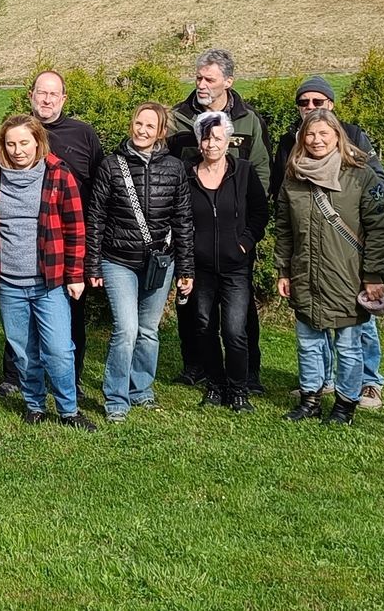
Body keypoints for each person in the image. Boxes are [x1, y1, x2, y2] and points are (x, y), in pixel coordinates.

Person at [273, 76, 384, 409]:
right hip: (306, 271)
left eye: (324, 133)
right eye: (310, 134)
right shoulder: (293, 176)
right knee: (308, 340)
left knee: (350, 343)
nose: (317, 140)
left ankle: (349, 399)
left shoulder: (359, 174)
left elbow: (379, 228)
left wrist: (373, 276)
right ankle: (311, 396)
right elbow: (285, 227)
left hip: (347, 272)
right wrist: (283, 270)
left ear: (338, 135)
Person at [168, 48, 274, 393]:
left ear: (228, 81)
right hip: (194, 236)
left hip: (234, 235)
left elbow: (261, 171)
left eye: (209, 79)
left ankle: (249, 374)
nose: (201, 84)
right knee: (192, 306)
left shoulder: (248, 120)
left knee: (240, 313)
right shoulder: (179, 118)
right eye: (198, 77)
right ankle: (196, 366)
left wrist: (245, 231)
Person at [0, 115, 96, 430]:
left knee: (59, 350)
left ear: (37, 142)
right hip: (9, 284)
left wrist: (75, 274)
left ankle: (69, 410)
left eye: (24, 143)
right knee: (23, 351)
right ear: (2, 145)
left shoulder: (58, 175)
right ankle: (35, 405)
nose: (18, 150)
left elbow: (75, 228)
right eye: (11, 144)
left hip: (50, 281)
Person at [86, 103, 194, 423]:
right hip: (118, 260)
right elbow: (96, 218)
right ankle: (116, 398)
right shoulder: (111, 166)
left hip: (160, 262)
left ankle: (141, 389)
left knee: (148, 330)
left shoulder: (175, 168)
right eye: (138, 123)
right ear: (131, 124)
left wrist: (186, 268)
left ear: (161, 132)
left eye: (150, 126)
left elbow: (183, 221)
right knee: (127, 329)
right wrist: (92, 265)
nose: (142, 130)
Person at [9, 70, 102, 396]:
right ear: (31, 96)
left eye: (53, 94)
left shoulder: (83, 134)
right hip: (25, 244)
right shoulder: (17, 134)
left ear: (63, 98)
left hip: (71, 242)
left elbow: (99, 189)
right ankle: (15, 377)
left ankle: (69, 378)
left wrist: (92, 244)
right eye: (41, 93)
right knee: (20, 317)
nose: (46, 100)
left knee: (72, 314)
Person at [185, 111, 268, 412]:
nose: (211, 144)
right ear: (199, 142)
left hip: (236, 267)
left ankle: (238, 389)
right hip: (201, 267)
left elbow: (260, 214)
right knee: (205, 327)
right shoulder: (187, 174)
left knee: (234, 330)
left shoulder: (243, 171)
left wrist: (244, 243)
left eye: (217, 138)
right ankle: (215, 385)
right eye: (206, 138)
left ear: (228, 140)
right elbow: (181, 218)